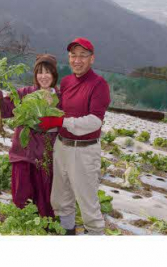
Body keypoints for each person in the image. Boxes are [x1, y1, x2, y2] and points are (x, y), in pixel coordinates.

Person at [39, 37, 111, 235]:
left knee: (88, 202)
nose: (77, 60)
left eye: (82, 56)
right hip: (62, 146)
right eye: (73, 55)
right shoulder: (67, 81)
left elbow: (95, 121)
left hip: (84, 150)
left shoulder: (99, 84)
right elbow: (61, 110)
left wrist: (60, 122)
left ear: (92, 59)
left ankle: (95, 233)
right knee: (61, 198)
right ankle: (67, 232)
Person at [0, 54, 60, 217]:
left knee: (44, 199)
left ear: (54, 75)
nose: (43, 76)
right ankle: (22, 225)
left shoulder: (60, 97)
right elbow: (5, 110)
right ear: (35, 74)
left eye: (48, 72)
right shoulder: (25, 93)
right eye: (40, 72)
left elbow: (66, 122)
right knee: (22, 196)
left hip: (46, 157)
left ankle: (43, 226)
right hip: (23, 154)